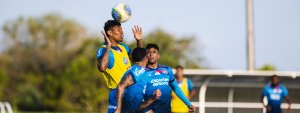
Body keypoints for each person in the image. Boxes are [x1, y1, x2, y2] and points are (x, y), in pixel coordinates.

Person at [96, 20, 143, 113]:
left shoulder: (123, 47)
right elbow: (102, 67)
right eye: (118, 29)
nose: (122, 32)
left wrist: (139, 40)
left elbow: (140, 58)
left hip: (132, 91)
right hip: (118, 93)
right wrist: (108, 46)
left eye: (122, 29)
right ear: (109, 33)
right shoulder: (103, 50)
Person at [143, 43, 195, 113]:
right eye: (148, 53)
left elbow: (175, 88)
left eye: (154, 52)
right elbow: (136, 94)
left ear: (158, 56)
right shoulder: (142, 72)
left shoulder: (167, 70)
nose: (151, 54)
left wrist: (188, 104)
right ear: (146, 56)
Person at [115, 48, 162, 113]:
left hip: (137, 106)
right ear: (145, 58)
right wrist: (118, 109)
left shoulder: (139, 70)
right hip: (129, 108)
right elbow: (121, 86)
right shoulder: (138, 70)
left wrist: (153, 98)